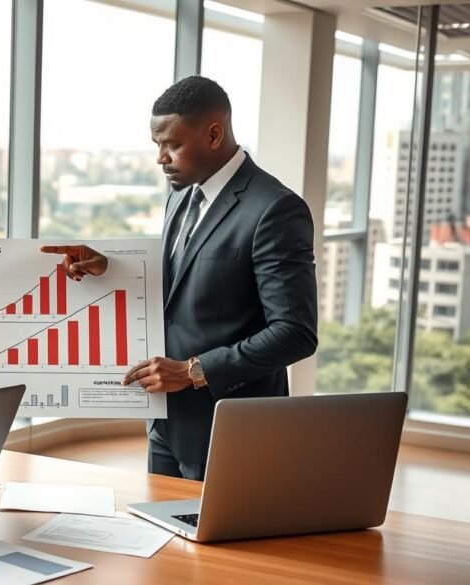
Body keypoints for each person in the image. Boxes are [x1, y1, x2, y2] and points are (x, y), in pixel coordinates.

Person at [44, 76, 318, 480]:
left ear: (213, 134)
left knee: (216, 545)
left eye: (171, 144)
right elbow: (185, 283)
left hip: (229, 429)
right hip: (163, 424)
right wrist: (110, 267)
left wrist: (193, 371)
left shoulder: (275, 209)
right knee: (163, 540)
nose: (160, 158)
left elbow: (296, 331)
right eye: (157, 145)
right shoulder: (181, 194)